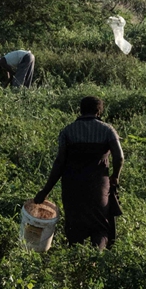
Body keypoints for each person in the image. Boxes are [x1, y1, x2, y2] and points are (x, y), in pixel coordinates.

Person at [31, 96, 123, 249]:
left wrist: (45, 191)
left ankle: (75, 261)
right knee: (100, 227)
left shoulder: (68, 131)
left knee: (74, 228)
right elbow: (119, 157)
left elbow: (59, 163)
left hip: (72, 186)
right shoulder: (107, 130)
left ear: (80, 110)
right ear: (99, 111)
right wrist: (115, 176)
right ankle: (95, 260)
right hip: (98, 186)